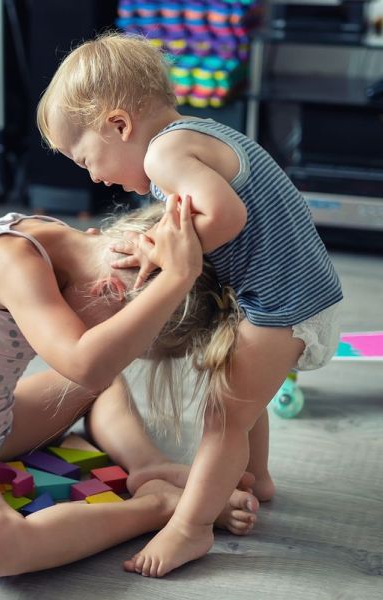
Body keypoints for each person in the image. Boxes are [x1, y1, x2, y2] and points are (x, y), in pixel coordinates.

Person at [36, 32, 344, 577]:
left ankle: (190, 528)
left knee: (222, 419)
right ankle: (258, 478)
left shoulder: (164, 154)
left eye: (86, 159)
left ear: (118, 125)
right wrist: (156, 240)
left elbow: (227, 218)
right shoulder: (194, 135)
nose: (93, 176)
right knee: (241, 399)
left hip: (282, 302)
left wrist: (161, 250)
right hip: (292, 295)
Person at [0, 198, 260, 577]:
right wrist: (177, 276)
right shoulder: (12, 261)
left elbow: (98, 374)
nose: (123, 356)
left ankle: (148, 466)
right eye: (132, 349)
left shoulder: (70, 243)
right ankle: (158, 505)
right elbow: (89, 366)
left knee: (105, 383)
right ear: (107, 290)